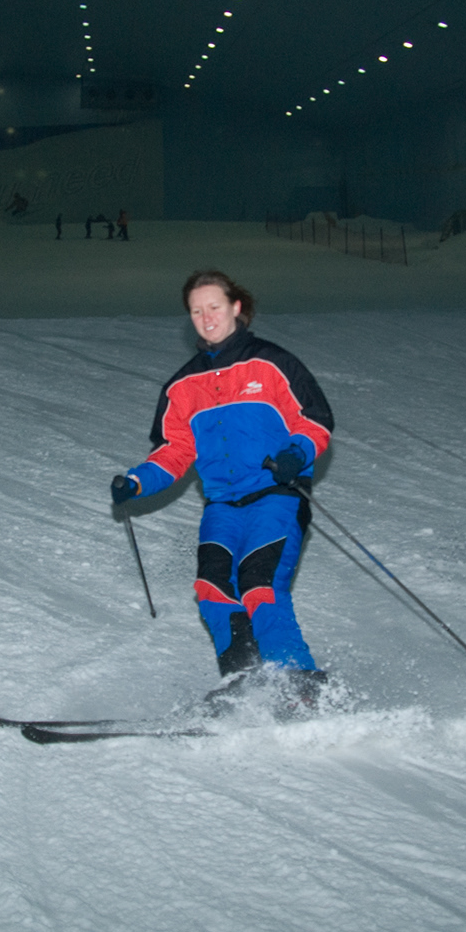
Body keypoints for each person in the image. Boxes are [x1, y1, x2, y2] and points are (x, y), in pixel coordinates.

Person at [111, 269, 334, 707]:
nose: (206, 317)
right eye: (196, 311)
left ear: (236, 307)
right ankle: (244, 682)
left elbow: (314, 420)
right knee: (213, 589)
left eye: (214, 307)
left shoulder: (271, 364)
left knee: (259, 585)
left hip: (276, 495)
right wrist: (136, 482)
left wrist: (295, 453)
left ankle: (300, 686)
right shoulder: (182, 386)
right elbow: (175, 451)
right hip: (222, 505)